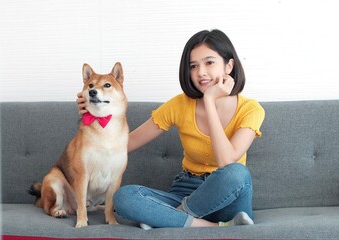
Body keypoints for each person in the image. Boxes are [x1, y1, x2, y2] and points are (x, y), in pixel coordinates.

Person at [77, 29, 265, 229]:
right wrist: (96, 111)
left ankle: (174, 217)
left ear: (229, 66)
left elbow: (226, 162)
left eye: (209, 62)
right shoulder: (179, 105)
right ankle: (213, 226)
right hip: (186, 191)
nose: (200, 72)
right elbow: (125, 144)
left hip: (228, 196)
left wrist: (209, 101)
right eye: (193, 66)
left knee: (236, 173)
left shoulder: (251, 109)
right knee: (124, 197)